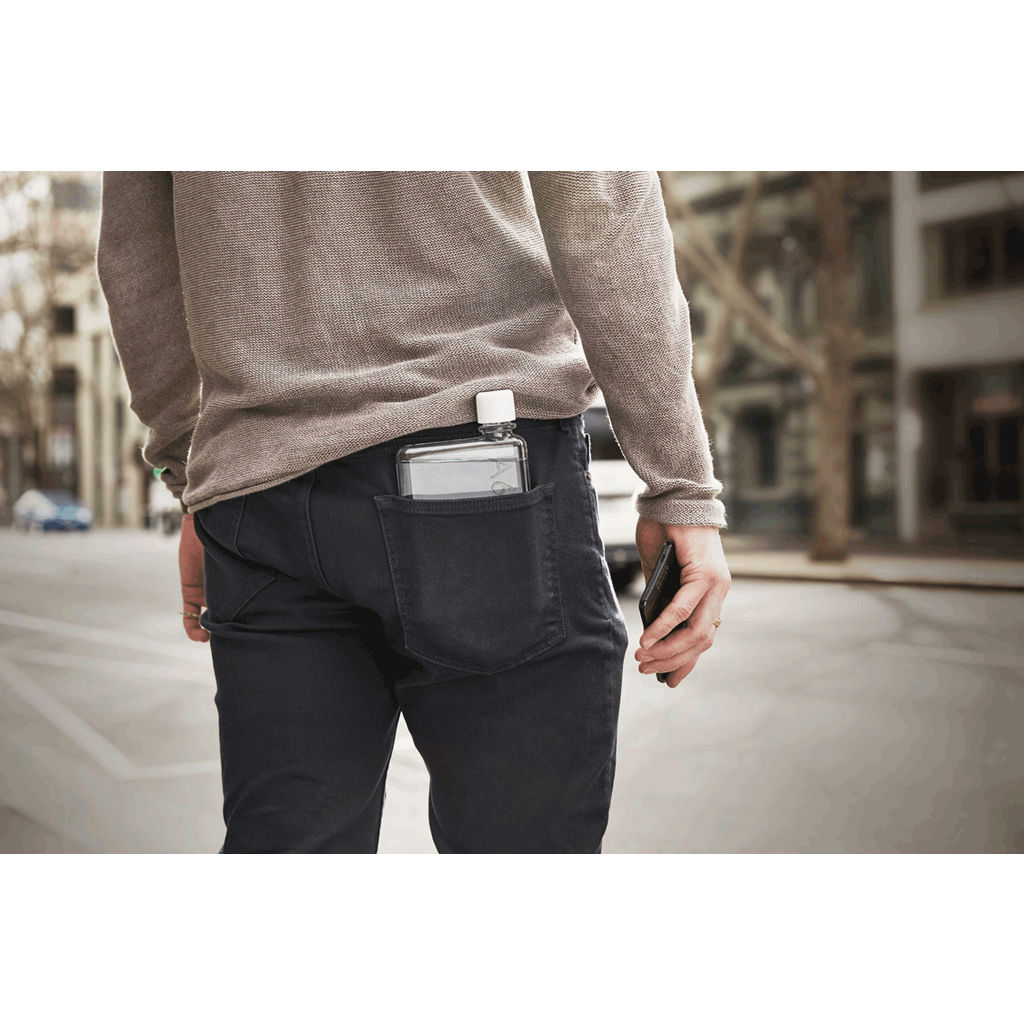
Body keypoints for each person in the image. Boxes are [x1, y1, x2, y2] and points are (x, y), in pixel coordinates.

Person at [96, 171, 731, 854]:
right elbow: (597, 199)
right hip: (479, 453)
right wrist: (680, 485)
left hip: (261, 490)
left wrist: (189, 470)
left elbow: (137, 255)